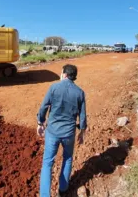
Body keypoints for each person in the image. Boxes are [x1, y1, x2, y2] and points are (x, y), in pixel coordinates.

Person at [37, 64, 87, 197]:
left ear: (64, 74)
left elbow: (43, 107)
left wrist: (40, 122)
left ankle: (44, 195)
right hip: (69, 133)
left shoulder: (54, 87)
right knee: (68, 158)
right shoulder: (80, 92)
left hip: (52, 132)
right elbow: (82, 115)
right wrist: (82, 132)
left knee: (47, 162)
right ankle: (63, 189)